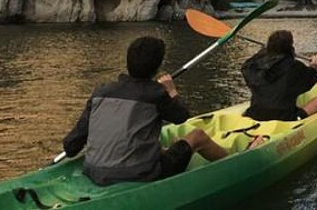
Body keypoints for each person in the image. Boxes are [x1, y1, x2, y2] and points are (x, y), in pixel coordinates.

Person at [63, 36, 228, 186]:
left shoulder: (100, 92)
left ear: (128, 63)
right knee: (197, 136)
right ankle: (235, 163)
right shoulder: (156, 94)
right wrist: (171, 91)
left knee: (158, 143)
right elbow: (181, 116)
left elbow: (70, 146)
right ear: (157, 68)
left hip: (93, 172)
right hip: (140, 174)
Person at [241, 30, 317, 121]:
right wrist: (315, 65)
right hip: (284, 117)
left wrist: (265, 51)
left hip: (255, 113)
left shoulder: (255, 66)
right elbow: (310, 79)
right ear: (289, 46)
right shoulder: (294, 67)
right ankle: (299, 117)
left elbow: (247, 65)